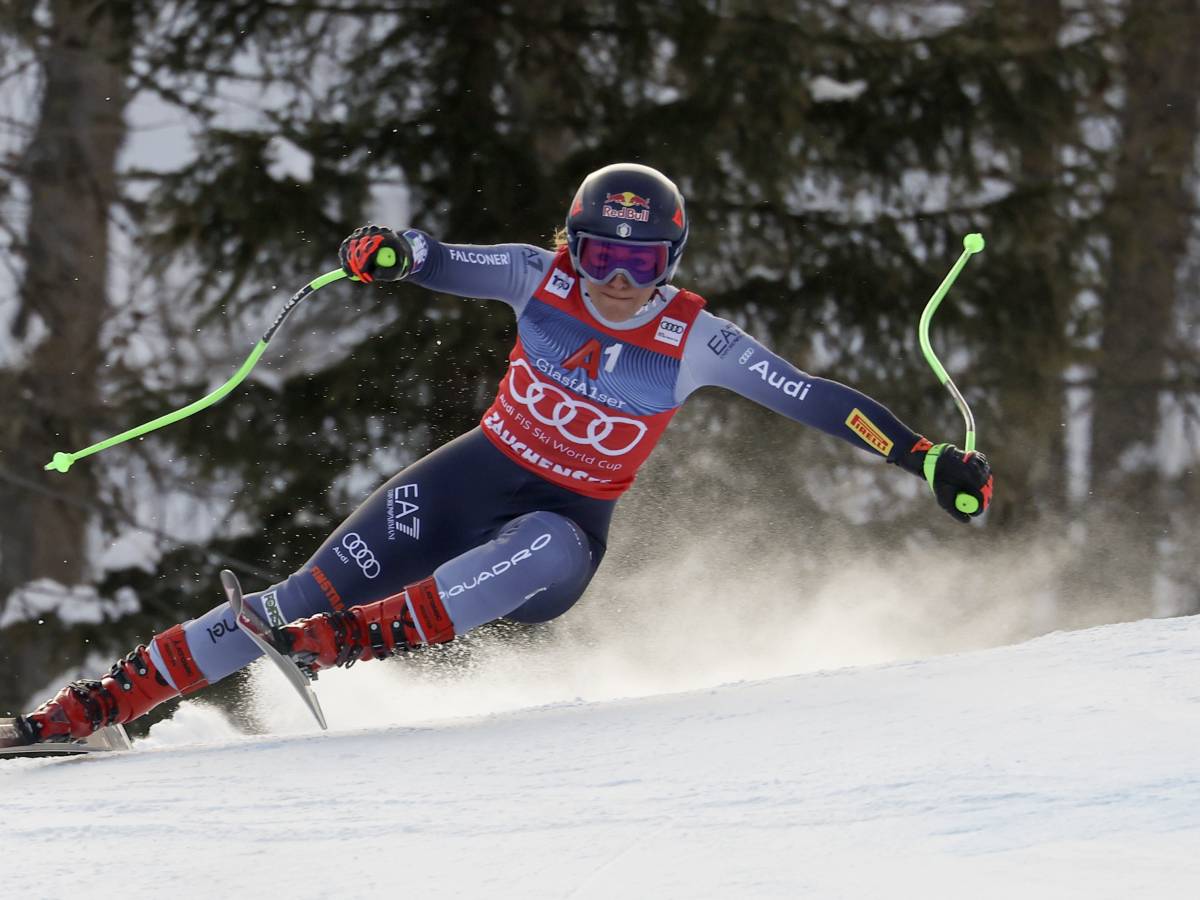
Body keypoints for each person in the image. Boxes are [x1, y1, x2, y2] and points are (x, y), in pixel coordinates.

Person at [5, 163, 993, 746]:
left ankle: (352, 644)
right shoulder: (536, 277)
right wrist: (386, 251)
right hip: (466, 478)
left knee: (534, 554)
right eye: (598, 255)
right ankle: (88, 711)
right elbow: (439, 257)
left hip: (563, 527)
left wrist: (928, 460)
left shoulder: (697, 341)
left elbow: (816, 400)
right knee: (284, 606)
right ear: (571, 247)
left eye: (638, 264)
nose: (613, 281)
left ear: (670, 265)